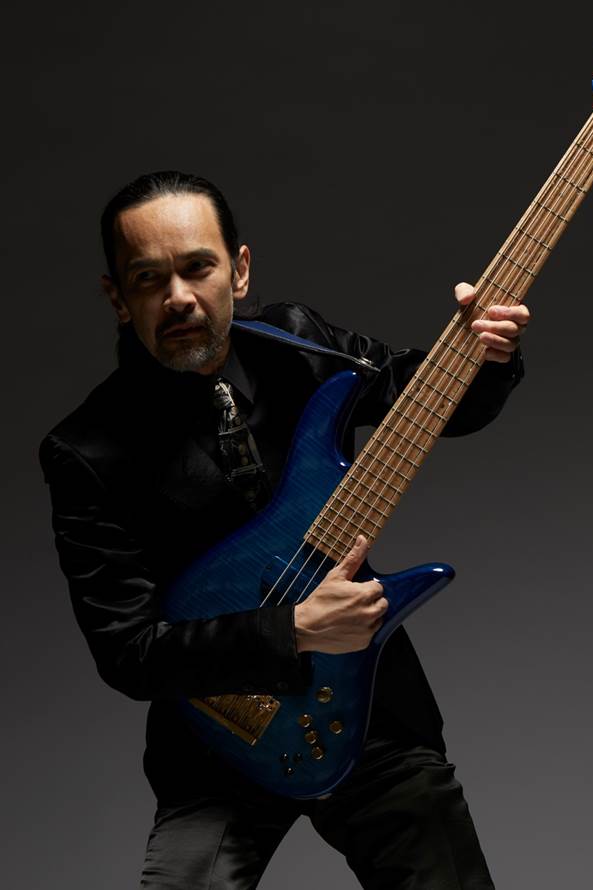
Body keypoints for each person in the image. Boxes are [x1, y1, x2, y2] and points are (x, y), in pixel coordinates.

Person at [38, 170, 530, 889]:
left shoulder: (301, 343)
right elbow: (129, 653)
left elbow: (426, 399)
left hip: (370, 715)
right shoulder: (87, 450)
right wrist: (292, 629)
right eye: (148, 279)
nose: (178, 297)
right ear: (119, 298)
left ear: (238, 271)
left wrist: (485, 357)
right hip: (217, 739)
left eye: (197, 267)